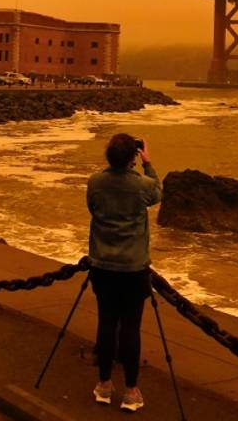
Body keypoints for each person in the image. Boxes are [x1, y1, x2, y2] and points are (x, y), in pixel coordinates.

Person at [87, 133, 162, 413]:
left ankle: (104, 385)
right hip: (133, 269)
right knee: (131, 328)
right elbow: (158, 193)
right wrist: (148, 162)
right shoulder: (141, 185)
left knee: (106, 324)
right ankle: (131, 391)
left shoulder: (96, 182)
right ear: (133, 156)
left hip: (103, 266)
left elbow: (92, 208)